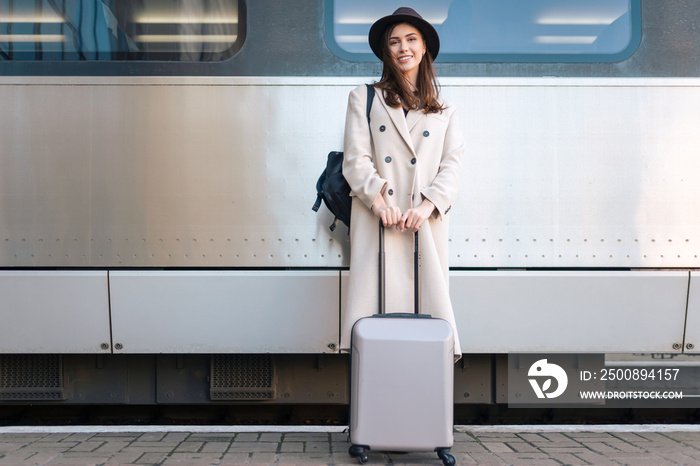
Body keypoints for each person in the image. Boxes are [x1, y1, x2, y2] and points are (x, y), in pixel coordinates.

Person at [340, 7, 465, 361]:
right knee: (375, 326)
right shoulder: (364, 98)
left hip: (422, 225)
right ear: (386, 52)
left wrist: (426, 207)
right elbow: (356, 158)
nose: (402, 48)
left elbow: (452, 166)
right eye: (394, 42)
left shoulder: (445, 110)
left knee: (427, 325)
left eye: (411, 39)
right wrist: (380, 204)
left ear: (425, 47)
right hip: (378, 222)